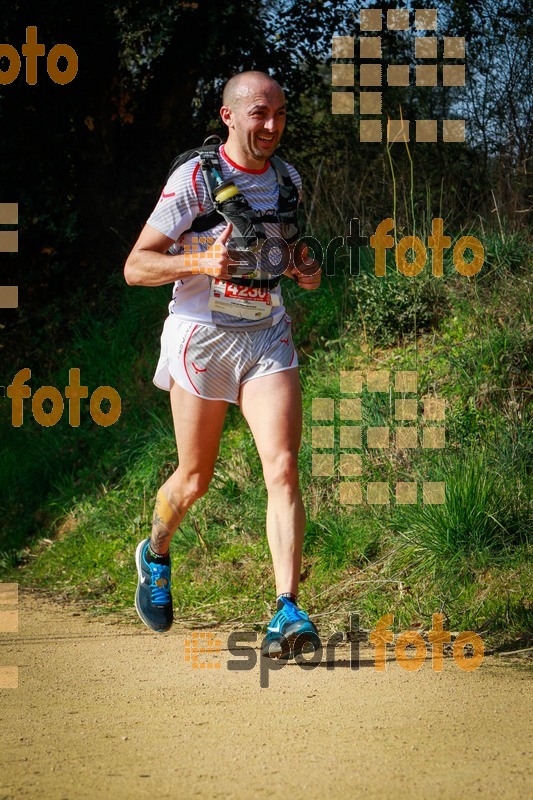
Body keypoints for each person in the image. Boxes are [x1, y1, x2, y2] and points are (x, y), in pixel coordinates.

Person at [124, 71, 321, 658]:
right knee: (195, 479)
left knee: (283, 467)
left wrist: (303, 269)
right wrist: (200, 260)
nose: (272, 126)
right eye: (260, 114)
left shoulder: (289, 180)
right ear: (229, 116)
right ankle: (156, 552)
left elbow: (284, 250)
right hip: (203, 338)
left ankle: (286, 609)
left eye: (280, 114)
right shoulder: (193, 180)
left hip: (266, 336)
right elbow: (136, 266)